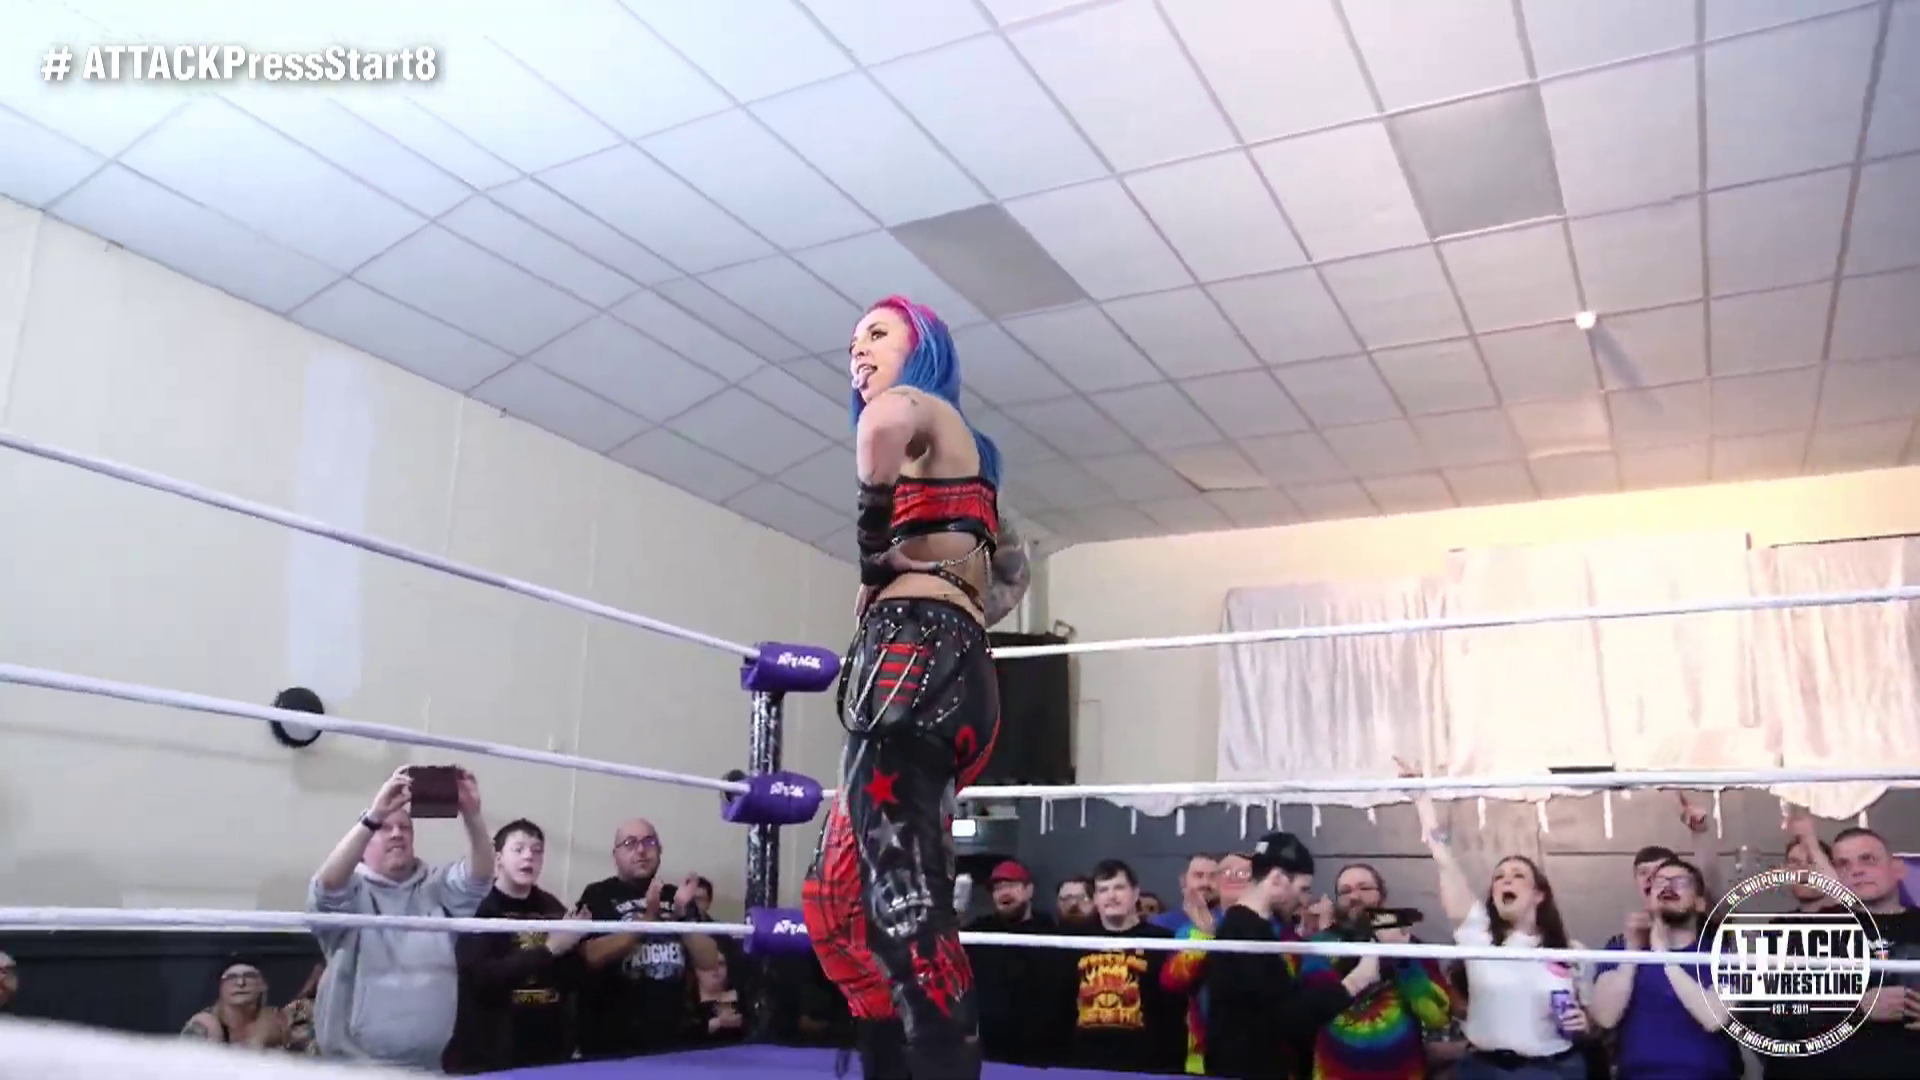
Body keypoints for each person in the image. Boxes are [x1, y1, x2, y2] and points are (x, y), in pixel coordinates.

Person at [802, 296, 1031, 1080]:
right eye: (852, 341)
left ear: (922, 346)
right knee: (836, 905)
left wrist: (874, 549)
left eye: (877, 333)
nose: (858, 351)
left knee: (903, 899)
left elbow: (880, 424)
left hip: (916, 669)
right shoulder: (955, 462)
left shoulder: (920, 406)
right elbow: (1007, 575)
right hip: (925, 672)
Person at [308, 766, 494, 1069]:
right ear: (364, 845)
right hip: (355, 1069)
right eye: (384, 828)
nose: (396, 833)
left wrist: (472, 814)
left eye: (404, 828)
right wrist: (374, 815)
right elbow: (326, 887)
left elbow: (480, 877)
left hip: (427, 1066)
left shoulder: (435, 885)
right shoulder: (352, 891)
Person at [1414, 784, 1593, 1080]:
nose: (1505, 881)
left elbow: (1594, 1023)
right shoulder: (1477, 936)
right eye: (1499, 877)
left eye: (1518, 875)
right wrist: (1421, 799)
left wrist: (1583, 1023)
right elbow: (1445, 865)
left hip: (1554, 1070)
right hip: (1483, 1070)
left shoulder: (1573, 953)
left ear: (1539, 895)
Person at [1206, 833, 1376, 1079]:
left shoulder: (1252, 929)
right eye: (1303, 889)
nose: (1305, 900)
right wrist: (1356, 981)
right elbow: (1286, 1017)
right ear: (1277, 879)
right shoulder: (1244, 933)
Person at [444, 819, 586, 1074]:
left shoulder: (552, 908)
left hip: (548, 1053)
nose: (529, 856)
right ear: (498, 859)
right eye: (519, 849)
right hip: (491, 1055)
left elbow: (572, 978)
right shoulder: (479, 907)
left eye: (536, 851)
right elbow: (481, 978)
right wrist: (548, 950)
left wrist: (577, 942)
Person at [1588, 857, 1739, 1080]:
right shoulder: (1620, 949)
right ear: (1648, 899)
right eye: (1659, 882)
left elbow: (1714, 1018)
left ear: (1700, 903)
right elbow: (1605, 1017)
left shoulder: (1722, 955)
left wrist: (1664, 956)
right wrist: (1632, 952)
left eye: (1680, 882)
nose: (1668, 887)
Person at [180, 956, 289, 1049]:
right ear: (220, 987)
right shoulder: (205, 1025)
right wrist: (259, 1042)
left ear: (263, 985)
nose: (241, 983)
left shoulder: (277, 1020)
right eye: (231, 977)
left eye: (249, 976)